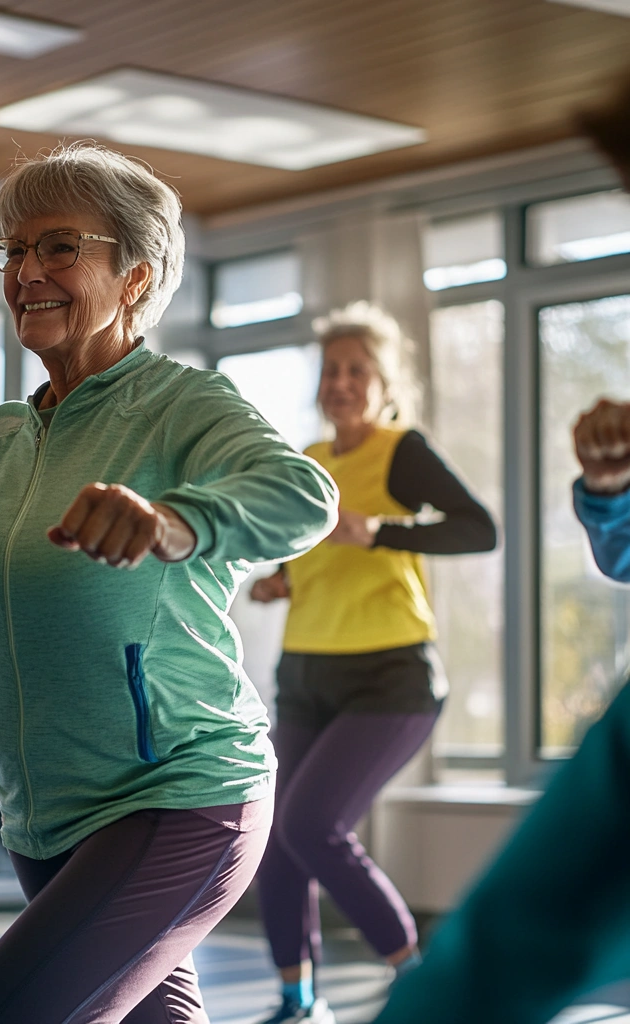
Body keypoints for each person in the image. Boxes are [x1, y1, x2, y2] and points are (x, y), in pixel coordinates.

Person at [0, 141, 339, 1024]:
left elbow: (304, 496)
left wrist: (172, 521)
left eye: (58, 247)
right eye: (13, 249)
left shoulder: (182, 405)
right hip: (43, 818)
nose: (26, 272)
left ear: (134, 278)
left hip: (180, 796)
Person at [370, 75, 630, 1024]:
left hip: (390, 677)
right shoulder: (322, 454)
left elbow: (502, 959)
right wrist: (611, 493)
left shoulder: (402, 455)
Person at [249, 302, 497, 1024]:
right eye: (332, 370)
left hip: (390, 678)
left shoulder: (400, 451)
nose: (342, 382)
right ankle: (297, 1000)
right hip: (304, 675)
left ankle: (420, 979)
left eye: (358, 370)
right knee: (278, 839)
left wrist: (384, 531)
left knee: (312, 825)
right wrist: (281, 581)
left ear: (384, 385)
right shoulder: (309, 464)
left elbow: (479, 530)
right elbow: (317, 562)